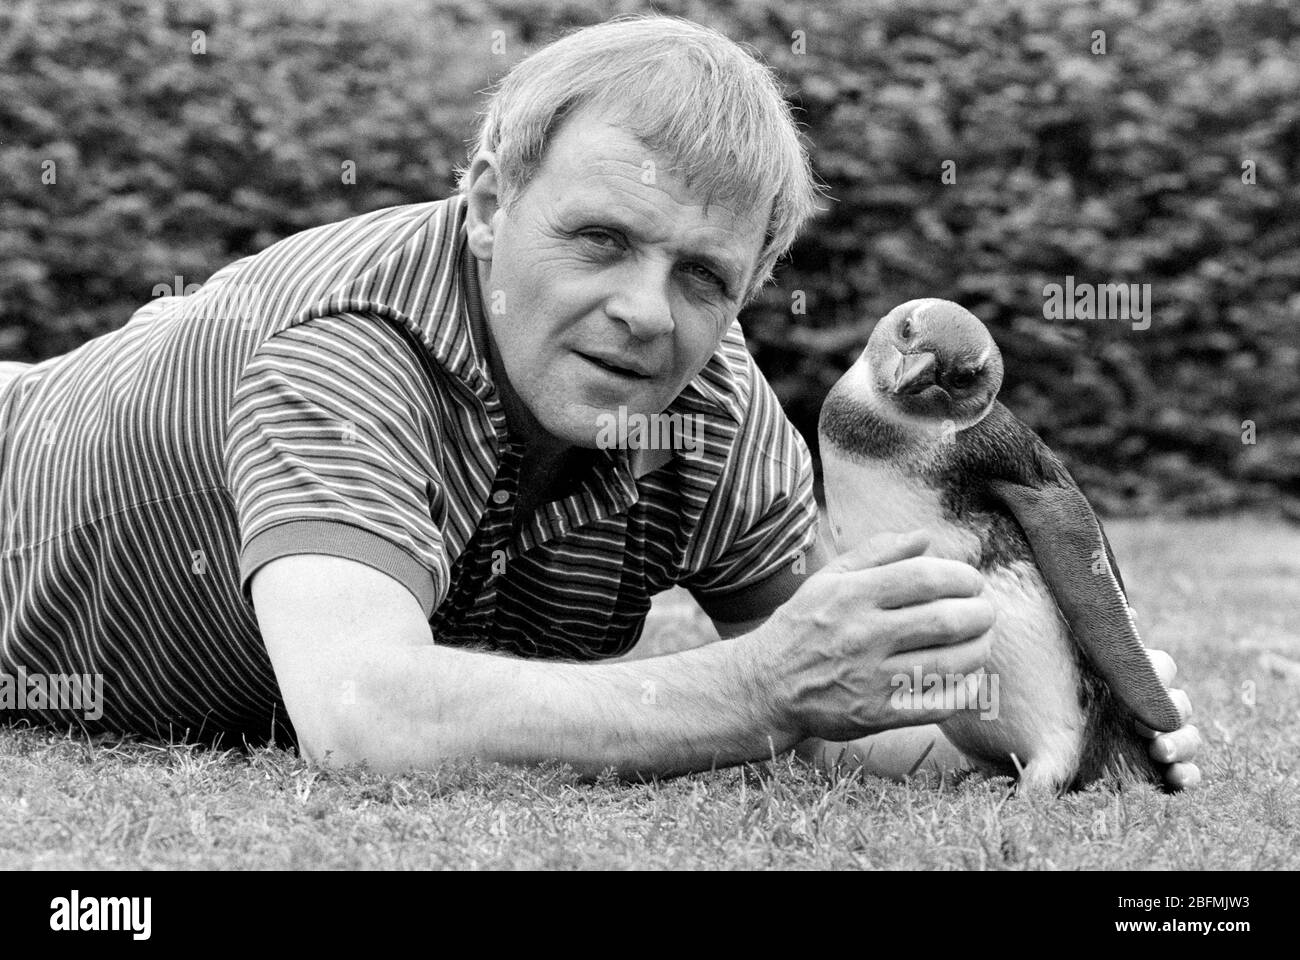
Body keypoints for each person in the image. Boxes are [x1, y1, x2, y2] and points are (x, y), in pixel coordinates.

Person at [0, 16, 1200, 787]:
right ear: (486, 204)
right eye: (600, 239)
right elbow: (365, 715)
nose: (643, 312)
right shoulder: (354, 342)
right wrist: (750, 690)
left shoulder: (708, 406)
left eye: (700, 277)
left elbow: (853, 693)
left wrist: (1032, 716)